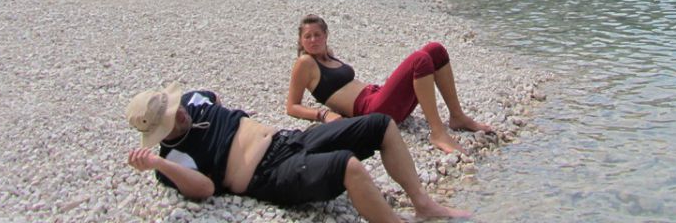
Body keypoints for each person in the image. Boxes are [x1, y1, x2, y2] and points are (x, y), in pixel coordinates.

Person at [126, 83, 468, 221]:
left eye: (174, 108)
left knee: (380, 123)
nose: (180, 113)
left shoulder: (193, 101)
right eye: (171, 118)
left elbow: (213, 97)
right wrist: (156, 161)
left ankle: (422, 203)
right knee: (347, 166)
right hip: (268, 175)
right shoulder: (172, 160)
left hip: (288, 140)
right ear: (160, 132)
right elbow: (205, 189)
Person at [287, 15, 493, 153]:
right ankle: (438, 132)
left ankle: (457, 117)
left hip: (378, 96)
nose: (313, 40)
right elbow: (292, 106)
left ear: (326, 36)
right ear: (300, 40)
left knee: (435, 49)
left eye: (317, 35)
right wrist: (323, 114)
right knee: (420, 59)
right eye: (308, 36)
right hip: (372, 110)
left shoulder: (327, 55)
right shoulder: (305, 63)